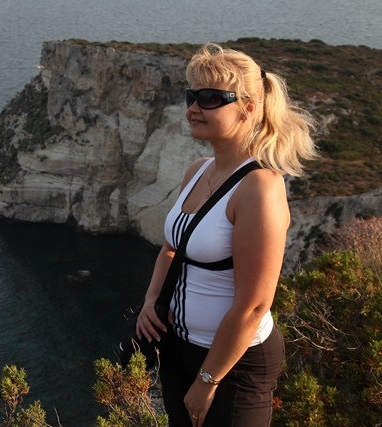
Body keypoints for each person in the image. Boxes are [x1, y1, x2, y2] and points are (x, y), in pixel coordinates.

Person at [135, 43, 317, 426]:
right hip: (180, 348)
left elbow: (254, 305)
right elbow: (171, 249)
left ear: (247, 108)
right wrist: (151, 299)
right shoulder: (198, 170)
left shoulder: (259, 187)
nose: (193, 108)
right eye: (191, 96)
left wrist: (208, 379)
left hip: (234, 365)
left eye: (210, 98)